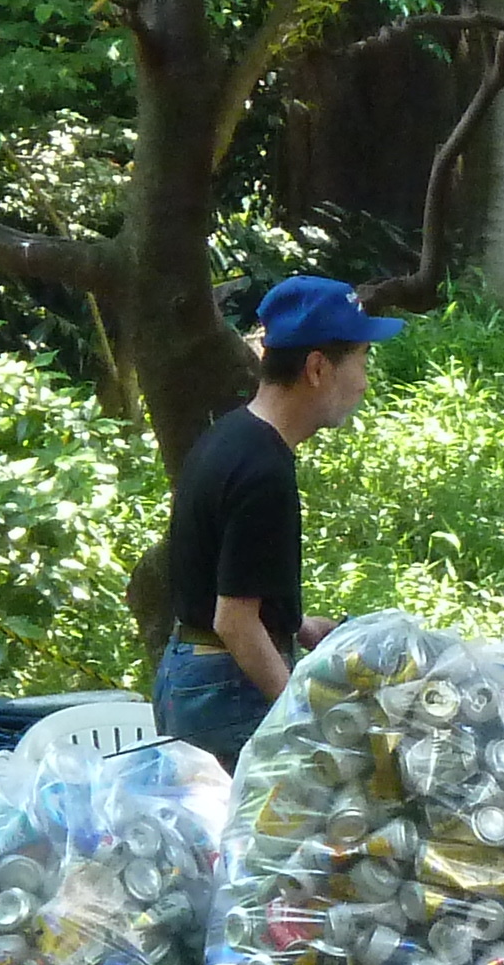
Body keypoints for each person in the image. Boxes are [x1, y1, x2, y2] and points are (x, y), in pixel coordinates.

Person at [153, 276, 403, 761]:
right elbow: (234, 622)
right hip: (225, 689)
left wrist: (295, 624)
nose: (364, 381)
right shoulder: (264, 469)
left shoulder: (231, 435)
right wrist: (298, 714)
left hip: (192, 672)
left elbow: (224, 587)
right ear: (316, 368)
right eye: (360, 361)